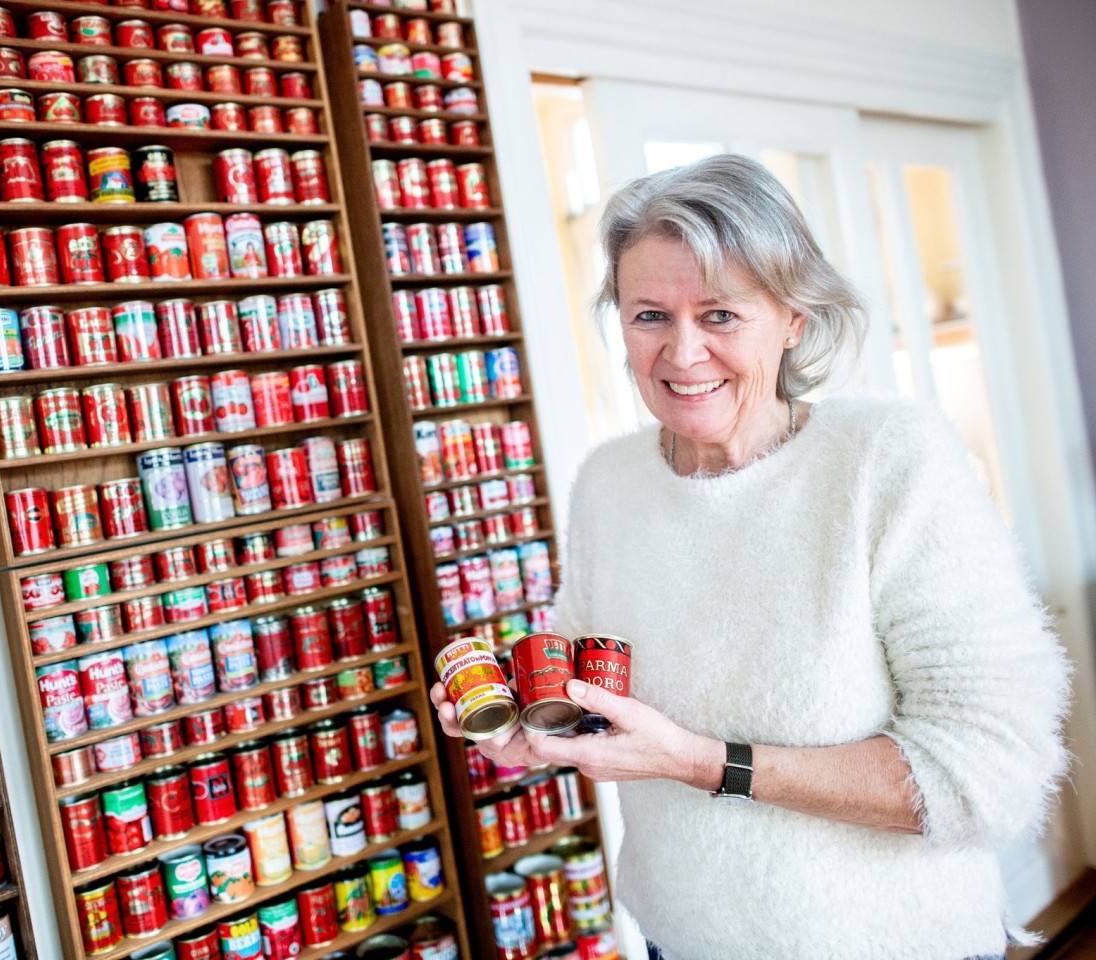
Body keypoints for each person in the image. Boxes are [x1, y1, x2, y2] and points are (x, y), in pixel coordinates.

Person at [430, 154, 1071, 960]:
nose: (682, 354)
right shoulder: (609, 482)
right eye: (649, 315)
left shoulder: (889, 462)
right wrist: (528, 718)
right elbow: (588, 674)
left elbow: (991, 774)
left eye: (722, 315)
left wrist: (705, 763)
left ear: (794, 317)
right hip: (680, 939)